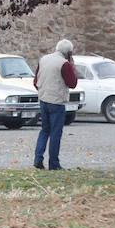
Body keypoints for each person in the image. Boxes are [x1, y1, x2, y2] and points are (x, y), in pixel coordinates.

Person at [33, 38, 78, 170]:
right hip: (57, 102)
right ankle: (54, 163)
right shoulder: (64, 64)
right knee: (55, 133)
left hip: (43, 99)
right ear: (69, 53)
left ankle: (38, 159)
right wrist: (72, 66)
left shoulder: (44, 59)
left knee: (44, 130)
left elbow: (36, 80)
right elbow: (72, 83)